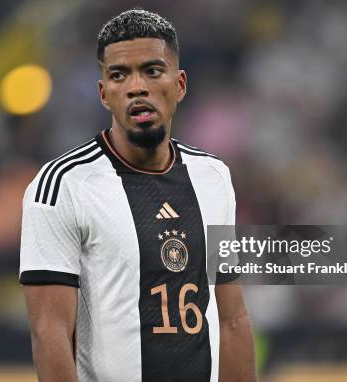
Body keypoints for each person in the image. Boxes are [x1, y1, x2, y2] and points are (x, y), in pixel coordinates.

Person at [20, 8, 256, 382]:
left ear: (179, 85)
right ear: (104, 94)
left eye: (152, 70)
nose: (136, 87)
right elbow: (49, 335)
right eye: (119, 75)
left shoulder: (213, 177)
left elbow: (233, 318)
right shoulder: (61, 185)